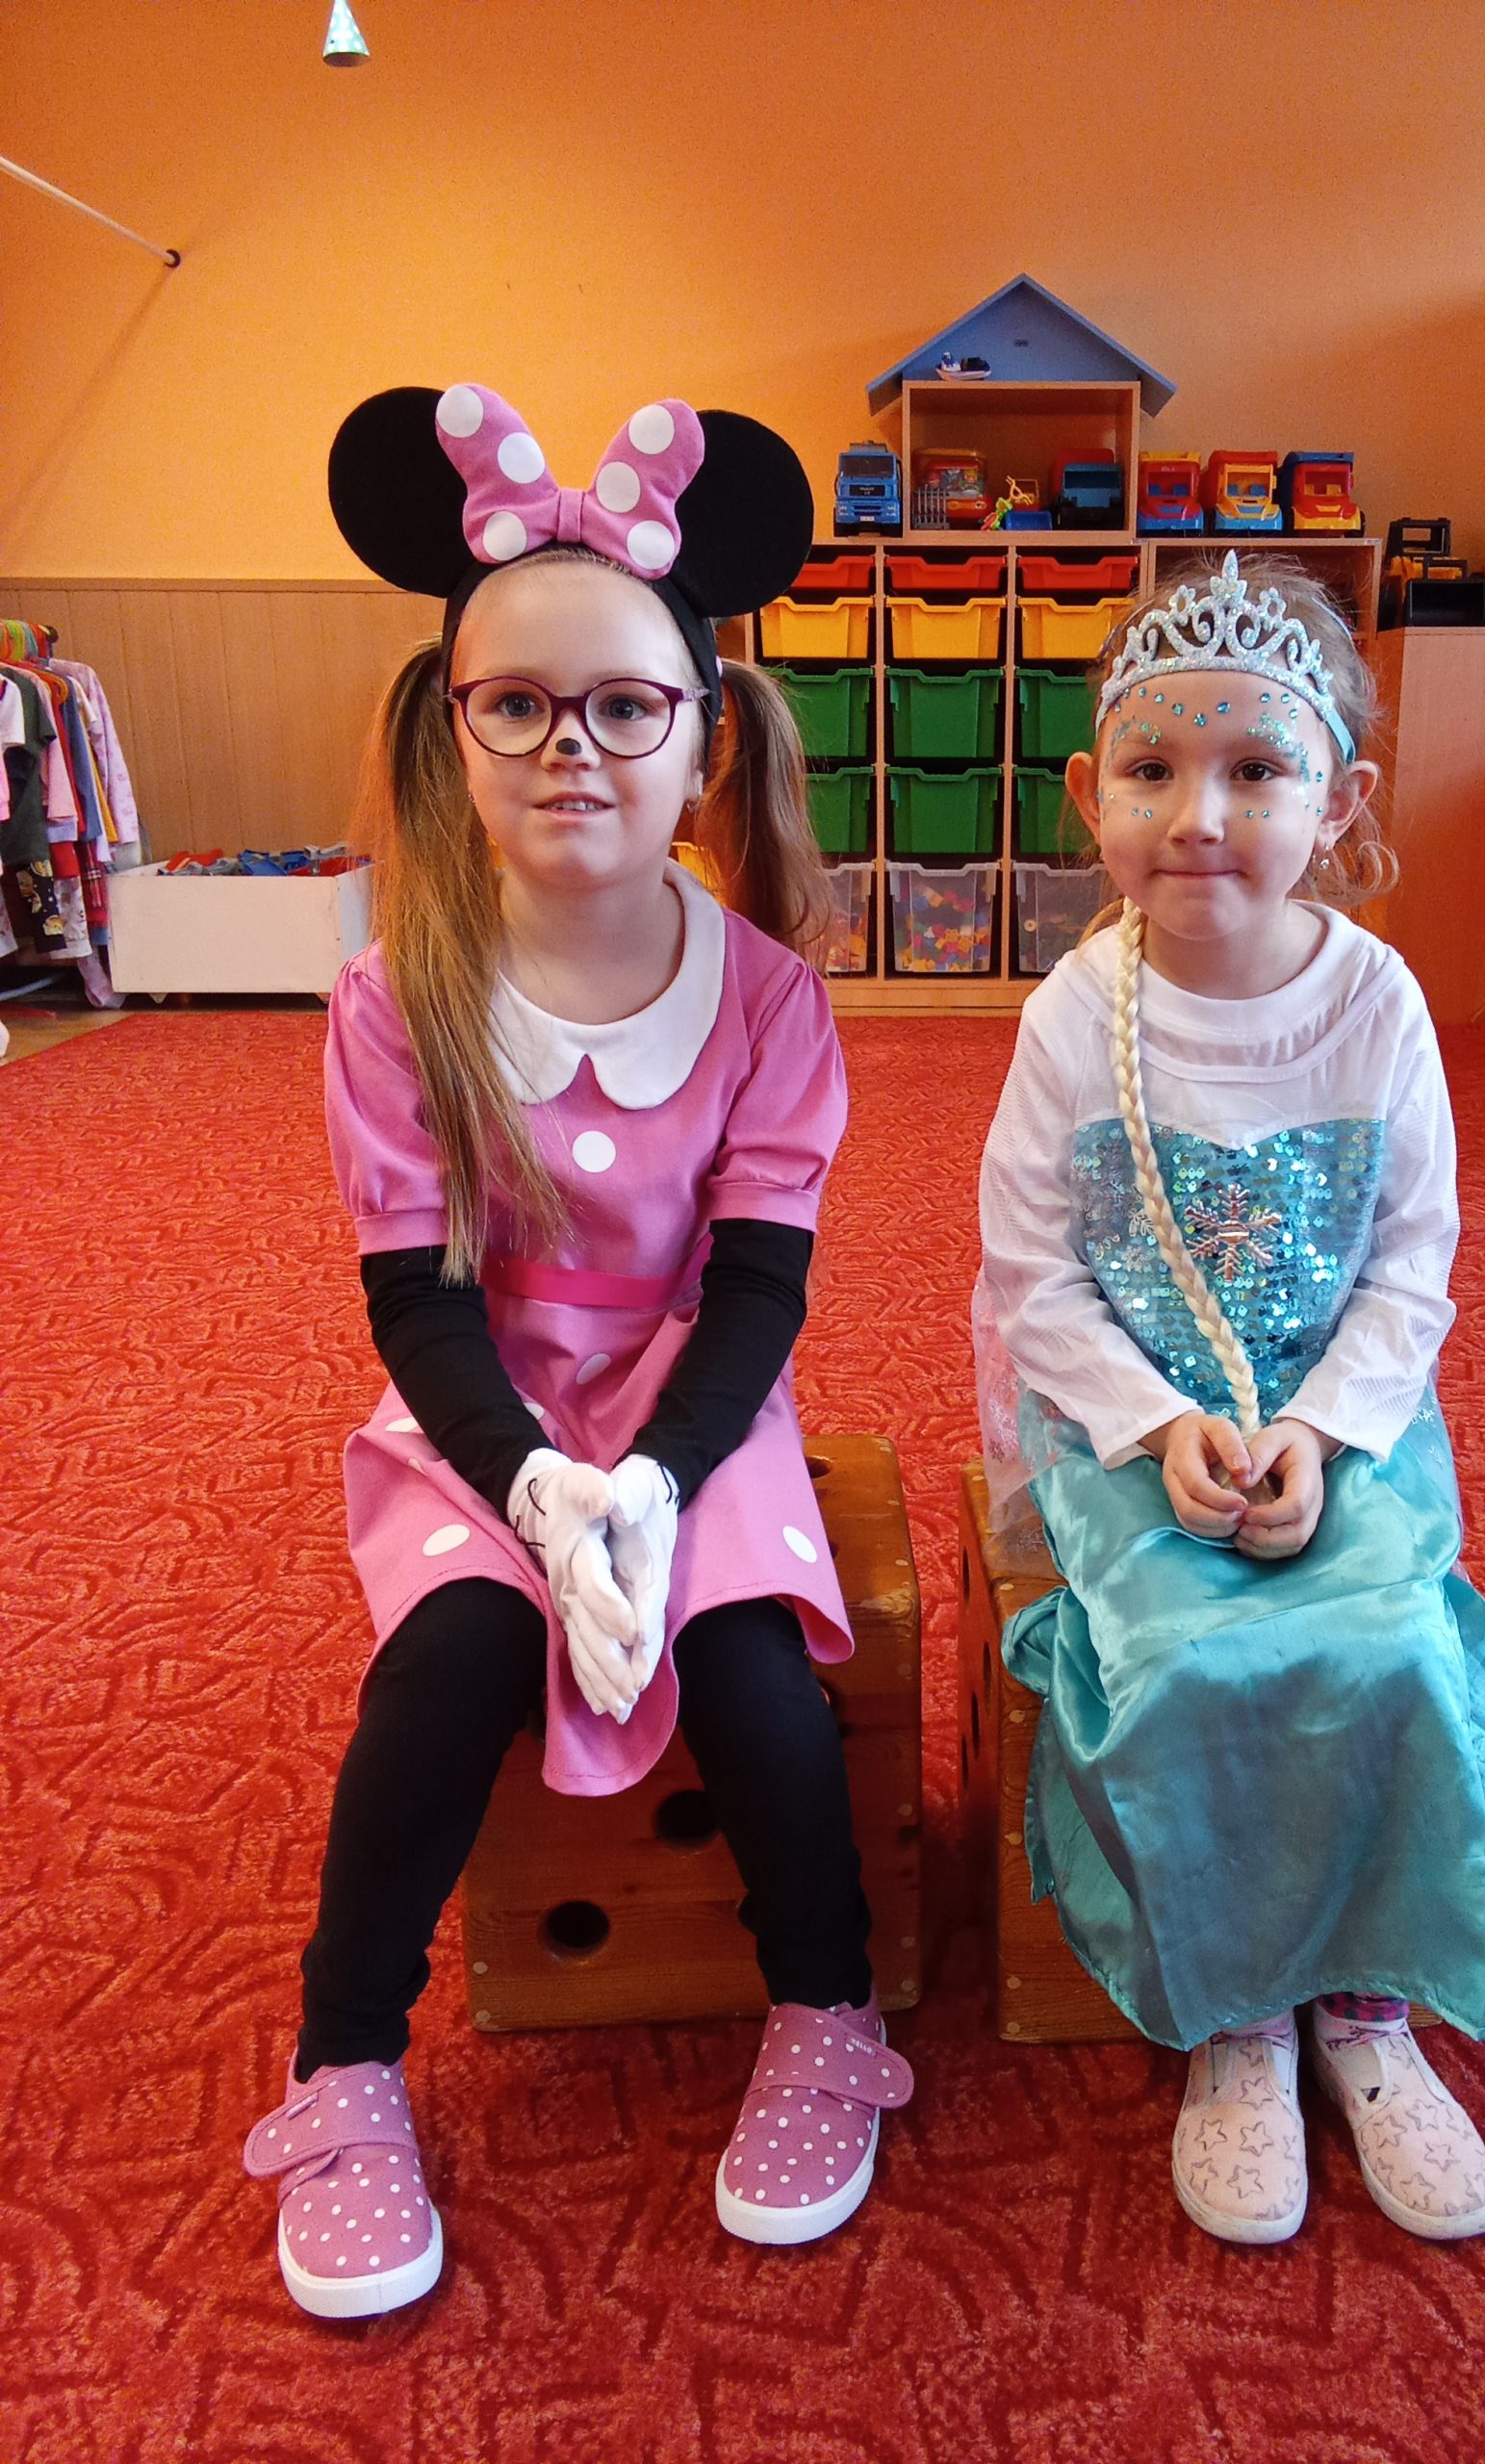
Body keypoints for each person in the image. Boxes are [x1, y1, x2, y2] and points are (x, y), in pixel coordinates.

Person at [243, 383, 910, 2318]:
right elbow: (421, 1299)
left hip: (697, 1403)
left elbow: (760, 1285)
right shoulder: (398, 1000)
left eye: (624, 706)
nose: (570, 748)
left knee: (754, 1675)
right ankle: (343, 2062)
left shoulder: (769, 1001)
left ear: (702, 735)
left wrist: (659, 1482)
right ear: (449, 727)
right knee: (450, 1659)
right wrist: (537, 1486)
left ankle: (830, 2012)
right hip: (493, 1409)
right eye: (516, 704)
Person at [977, 552, 1485, 2248]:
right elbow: (1033, 1272)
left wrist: (1316, 1432)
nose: (1201, 817)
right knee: (1186, 1653)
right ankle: (1241, 2015)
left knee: (1385, 1640)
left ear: (1340, 801)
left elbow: (1412, 1263)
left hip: (1339, 1418)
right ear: (1091, 794)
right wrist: (1159, 1428)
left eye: (1257, 770)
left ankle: (1370, 2005)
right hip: (1132, 1428)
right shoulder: (1073, 1014)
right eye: (1155, 770)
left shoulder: (1376, 1003)